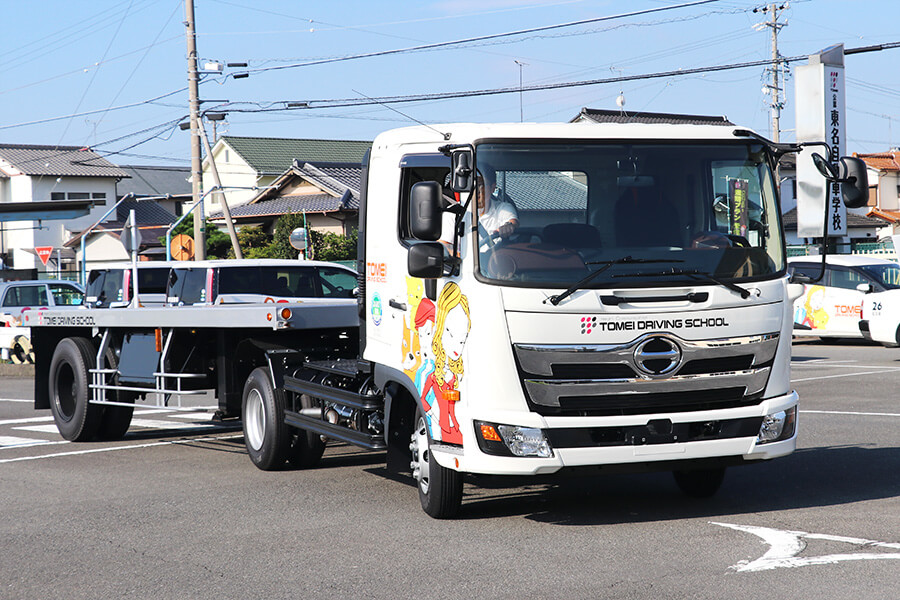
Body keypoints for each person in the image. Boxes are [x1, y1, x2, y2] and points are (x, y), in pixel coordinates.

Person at [476, 164, 519, 242]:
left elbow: (512, 221)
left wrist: (508, 226)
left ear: (493, 188)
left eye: (481, 185)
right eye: (472, 185)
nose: (477, 191)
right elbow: (449, 247)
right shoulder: (456, 213)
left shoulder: (503, 208)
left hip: (498, 254)